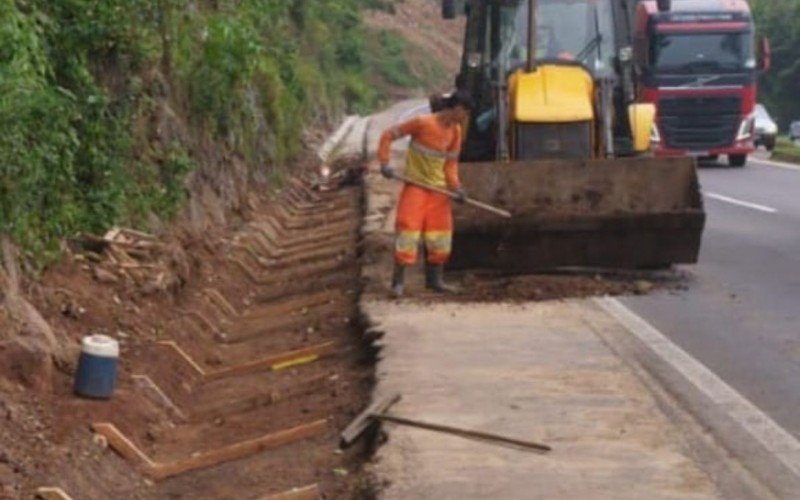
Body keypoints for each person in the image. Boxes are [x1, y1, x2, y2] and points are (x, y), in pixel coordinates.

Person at [377, 90, 473, 298]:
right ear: (457, 109)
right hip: (416, 187)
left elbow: (450, 165)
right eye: (464, 114)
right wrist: (384, 163)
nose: (464, 119)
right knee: (408, 233)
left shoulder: (455, 132)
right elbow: (387, 136)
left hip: (439, 192)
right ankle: (398, 283)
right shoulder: (422, 123)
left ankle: (435, 281)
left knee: (440, 236)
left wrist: (456, 188)